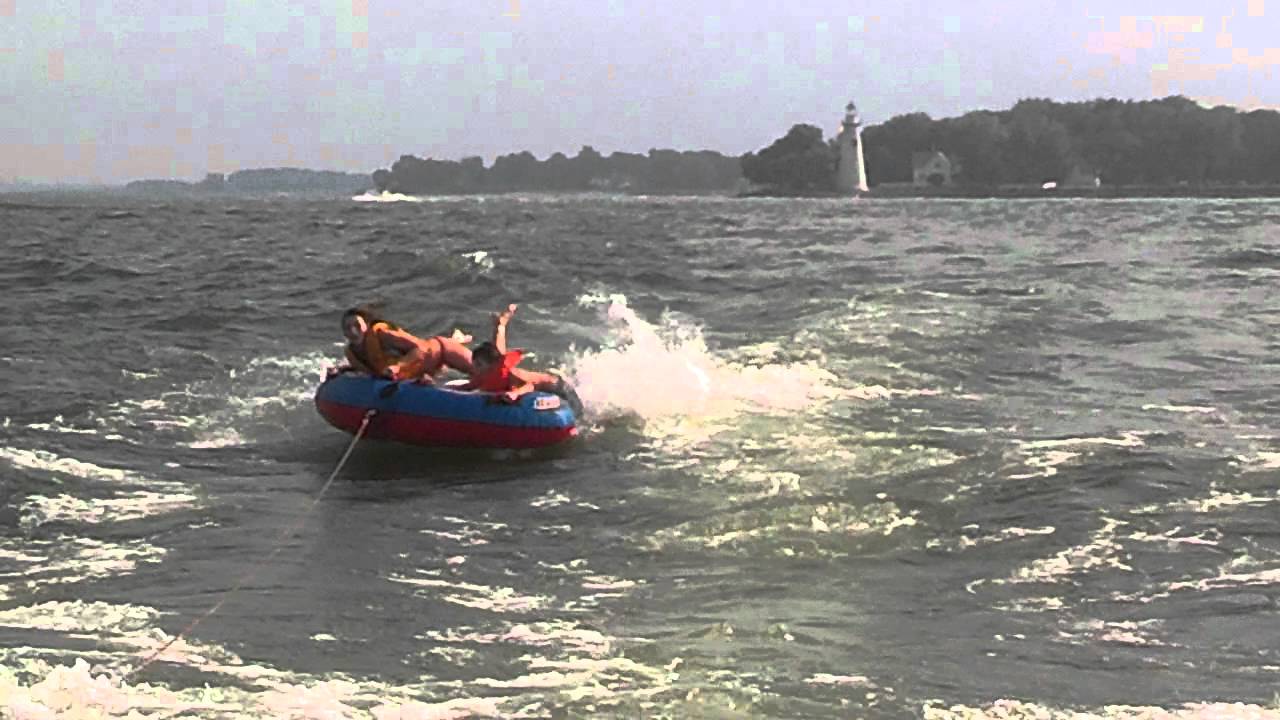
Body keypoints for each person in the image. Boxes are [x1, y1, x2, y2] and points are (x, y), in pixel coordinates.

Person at [460, 305, 583, 413]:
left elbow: (531, 386)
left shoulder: (510, 374)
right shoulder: (483, 375)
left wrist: (515, 394)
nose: (475, 369)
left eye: (480, 365)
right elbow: (468, 387)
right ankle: (500, 324)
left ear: (491, 365)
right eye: (475, 364)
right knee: (498, 353)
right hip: (500, 363)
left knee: (578, 414)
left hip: (555, 386)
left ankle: (501, 324)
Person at [335, 306, 475, 382]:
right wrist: (343, 370)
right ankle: (456, 340)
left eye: (357, 326)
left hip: (441, 351)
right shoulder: (353, 352)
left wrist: (398, 367)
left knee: (481, 373)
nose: (353, 331)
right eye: (347, 328)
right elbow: (370, 369)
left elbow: (418, 348)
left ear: (366, 325)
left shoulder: (382, 336)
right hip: (420, 372)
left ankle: (455, 342)